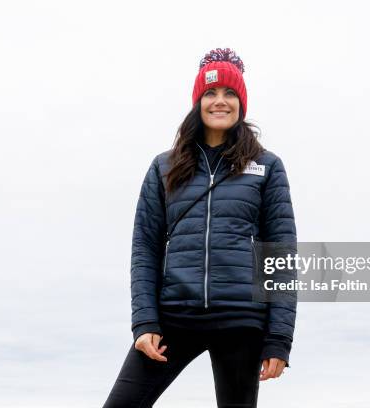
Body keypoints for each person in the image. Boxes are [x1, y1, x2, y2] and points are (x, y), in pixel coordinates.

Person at [103, 48, 297, 408]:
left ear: (242, 104)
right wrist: (144, 323)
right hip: (176, 315)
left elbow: (281, 257)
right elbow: (145, 248)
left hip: (241, 320)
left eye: (230, 94)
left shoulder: (267, 166)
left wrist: (279, 339)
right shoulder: (164, 167)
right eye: (210, 93)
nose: (219, 101)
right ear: (198, 101)